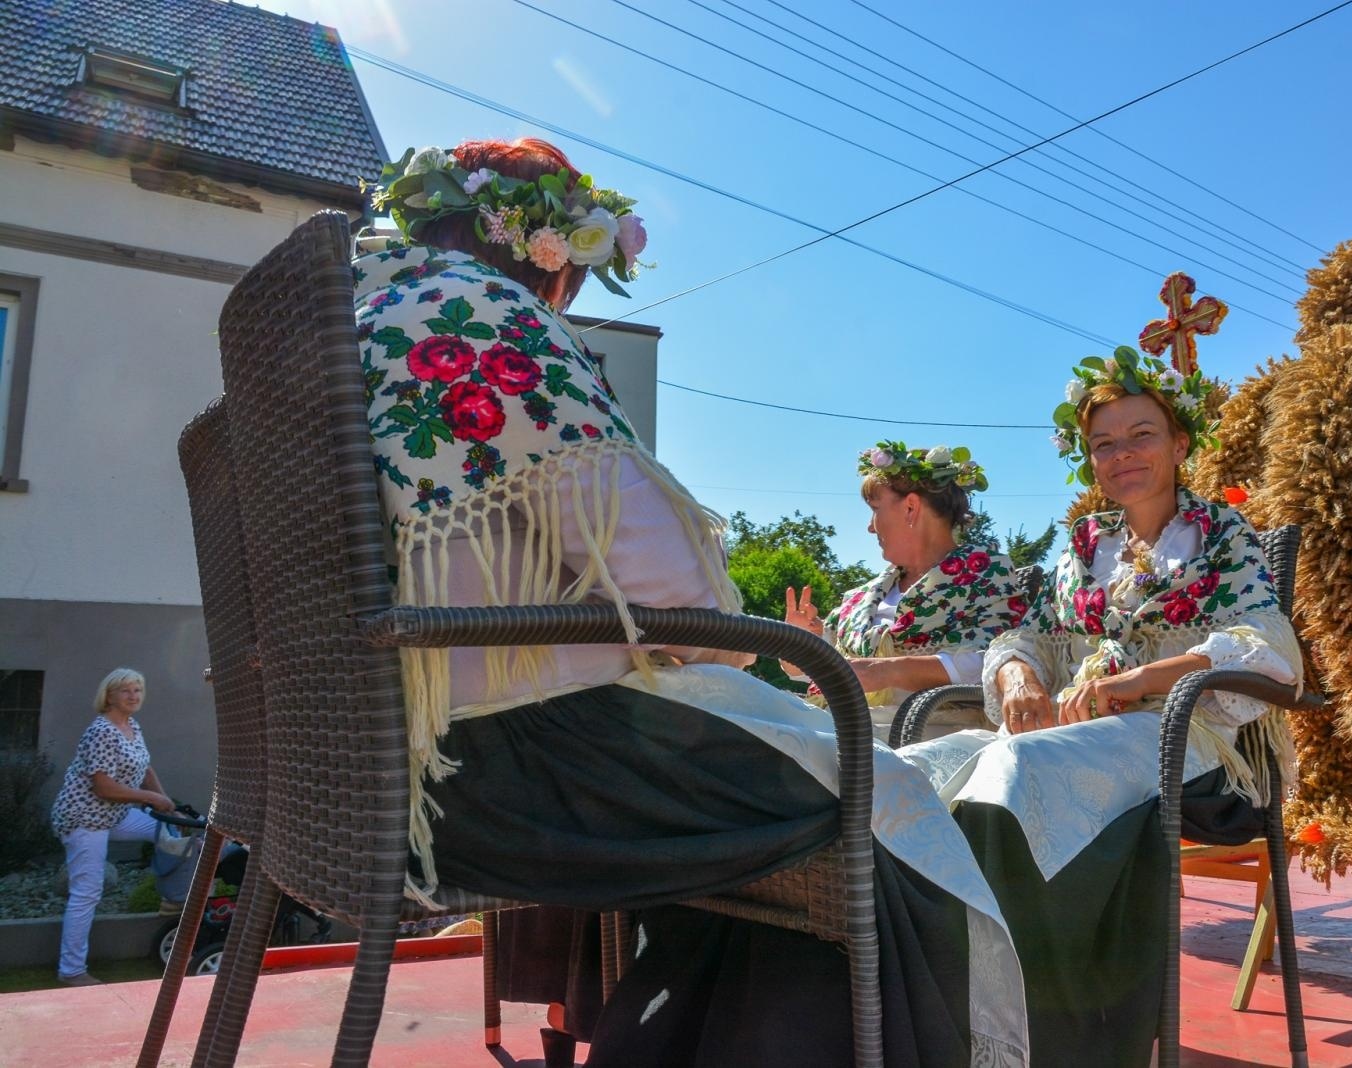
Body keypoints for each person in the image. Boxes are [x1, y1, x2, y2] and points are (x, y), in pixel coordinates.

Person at [360, 140, 1029, 1067]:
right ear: (546, 255)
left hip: (373, 758)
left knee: (818, 777)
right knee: (886, 801)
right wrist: (742, 647)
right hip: (522, 762)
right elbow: (675, 592)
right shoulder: (488, 316)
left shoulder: (360, 317)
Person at [901, 344, 1304, 1066]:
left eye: (1141, 435)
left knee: (1019, 769)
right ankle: (934, 1018)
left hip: (1192, 741)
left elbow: (1268, 646)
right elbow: (1029, 634)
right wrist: (1022, 675)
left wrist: (1139, 682)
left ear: (1181, 444)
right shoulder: (1084, 548)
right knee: (917, 766)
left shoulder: (1224, 536)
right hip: (1079, 731)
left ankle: (1048, 1035)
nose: (1122, 454)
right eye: (1103, 444)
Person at [784, 440, 1027, 741]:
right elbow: (836, 673)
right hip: (844, 729)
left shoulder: (986, 576)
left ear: (910, 508)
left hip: (928, 735)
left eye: (875, 509)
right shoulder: (863, 598)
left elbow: (1004, 659)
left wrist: (887, 671)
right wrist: (803, 647)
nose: (870, 528)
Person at [49, 668, 174, 986]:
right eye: (125, 691)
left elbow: (145, 766)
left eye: (137, 690)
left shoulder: (131, 725)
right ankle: (71, 971)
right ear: (109, 696)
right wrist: (149, 798)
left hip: (115, 815)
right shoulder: (101, 731)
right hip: (84, 819)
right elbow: (103, 787)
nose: (133, 696)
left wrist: (163, 799)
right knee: (86, 893)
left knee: (167, 832)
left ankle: (175, 895)